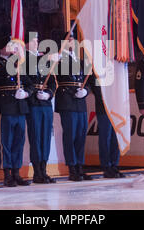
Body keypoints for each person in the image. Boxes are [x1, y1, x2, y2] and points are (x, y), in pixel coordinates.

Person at [0, 35, 33, 187]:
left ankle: (17, 172)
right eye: (13, 47)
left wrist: (26, 93)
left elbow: (30, 84)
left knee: (19, 142)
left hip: (20, 108)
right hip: (7, 106)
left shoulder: (19, 65)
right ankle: (7, 174)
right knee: (7, 143)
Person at [54, 31, 93, 181]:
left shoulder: (80, 60)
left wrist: (85, 91)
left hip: (80, 101)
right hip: (67, 99)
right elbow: (52, 74)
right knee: (70, 135)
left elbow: (87, 81)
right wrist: (54, 61)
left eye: (73, 40)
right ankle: (72, 167)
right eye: (69, 40)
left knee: (81, 135)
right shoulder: (59, 59)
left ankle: (80, 167)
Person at [23, 31, 57, 184]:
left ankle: (44, 169)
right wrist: (35, 93)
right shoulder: (23, 60)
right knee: (36, 138)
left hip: (45, 103)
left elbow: (52, 83)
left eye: (38, 40)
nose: (37, 43)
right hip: (33, 102)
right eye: (34, 41)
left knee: (45, 138)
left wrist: (49, 94)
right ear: (27, 44)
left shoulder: (44, 60)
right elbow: (25, 81)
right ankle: (37, 171)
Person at [90, 74, 125, 178]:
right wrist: (106, 100)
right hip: (104, 106)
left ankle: (114, 165)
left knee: (116, 137)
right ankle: (106, 166)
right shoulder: (98, 69)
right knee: (105, 137)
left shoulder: (115, 69)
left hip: (116, 108)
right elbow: (96, 88)